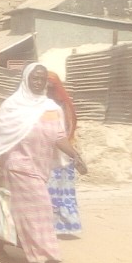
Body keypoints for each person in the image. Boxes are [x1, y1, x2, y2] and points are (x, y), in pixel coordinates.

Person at [0, 63, 88, 263]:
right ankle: (48, 258)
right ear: (25, 79)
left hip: (40, 167)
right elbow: (1, 140)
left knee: (16, 209)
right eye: (34, 78)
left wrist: (75, 156)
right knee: (41, 208)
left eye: (42, 79)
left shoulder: (51, 108)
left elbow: (58, 136)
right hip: (17, 166)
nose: (38, 82)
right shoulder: (11, 106)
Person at [46, 71, 82, 235]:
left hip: (62, 152)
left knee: (63, 191)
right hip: (45, 153)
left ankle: (66, 225)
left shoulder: (63, 106)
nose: (47, 89)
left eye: (51, 85)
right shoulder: (38, 105)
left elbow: (67, 130)